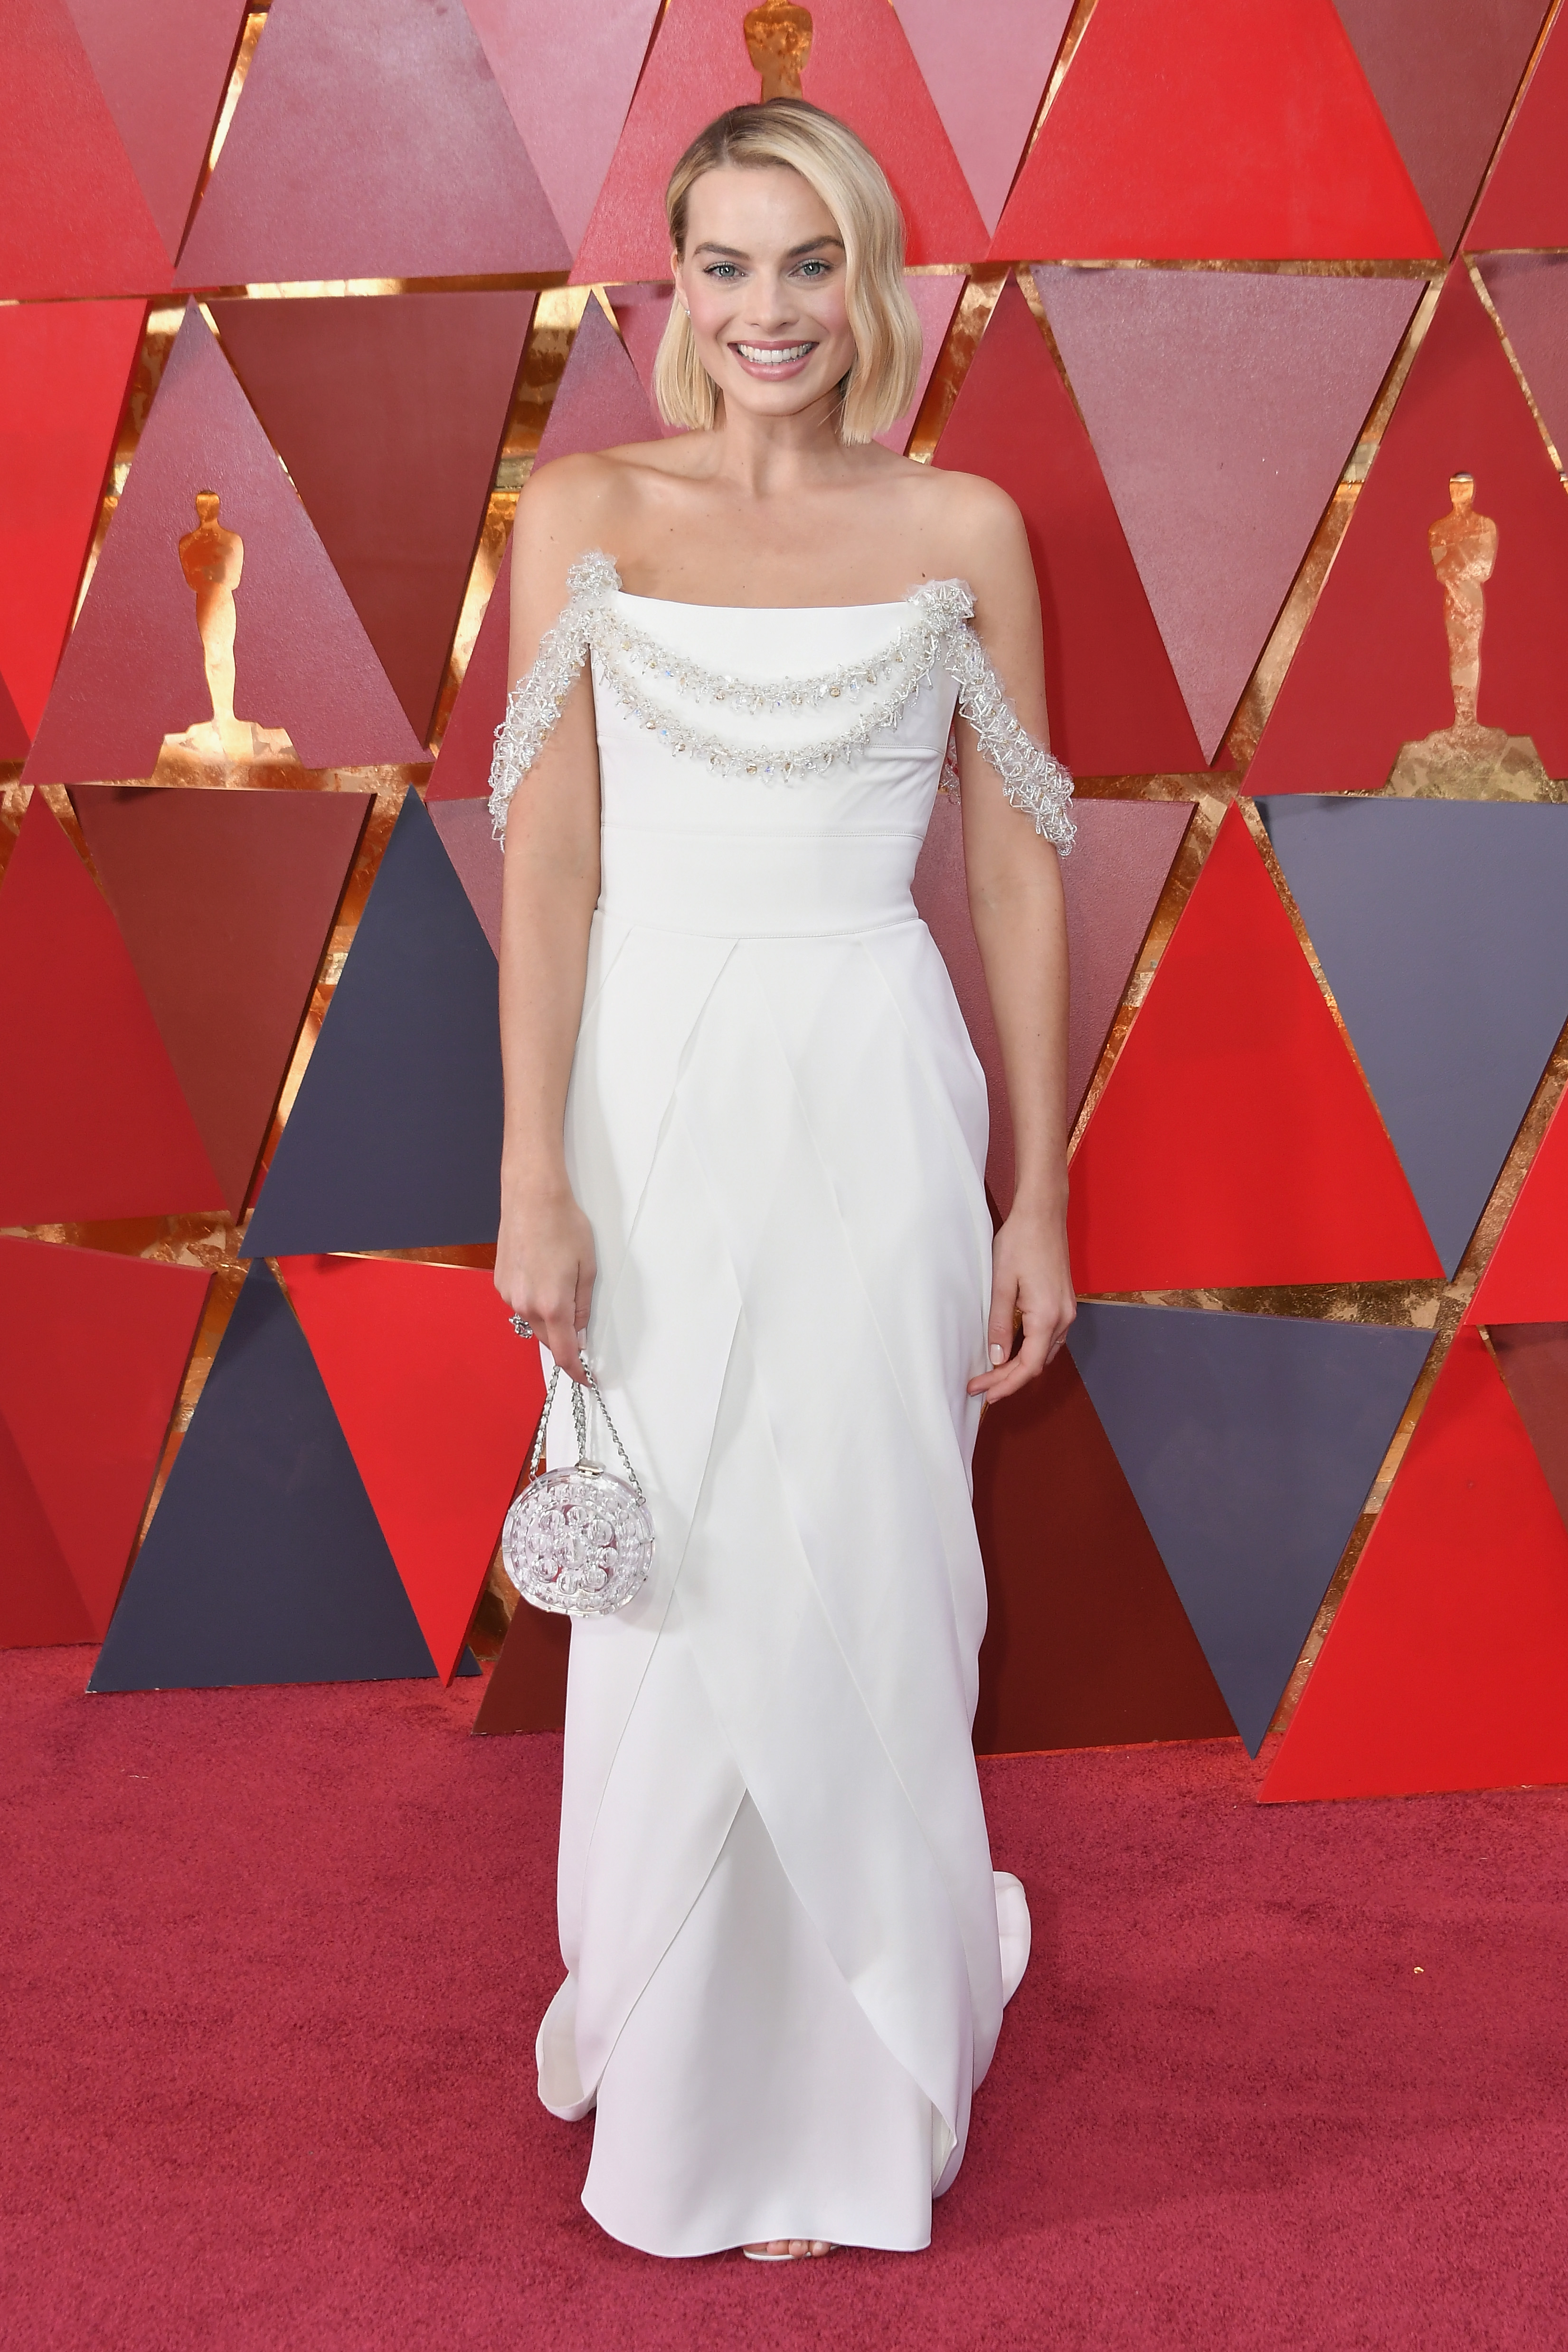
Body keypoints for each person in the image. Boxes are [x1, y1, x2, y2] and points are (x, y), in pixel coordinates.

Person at [491, 99, 1075, 2262]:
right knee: (684, 1584)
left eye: (810, 263)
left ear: (870, 281)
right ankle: (682, 2081)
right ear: (675, 286)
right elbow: (551, 864)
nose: (770, 311)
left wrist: (1035, 1194)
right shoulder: (584, 510)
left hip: (875, 1090)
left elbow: (1014, 874)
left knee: (875, 1551)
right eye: (728, 266)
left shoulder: (962, 524)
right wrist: (534, 1167)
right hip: (646, 1100)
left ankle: (859, 2074)